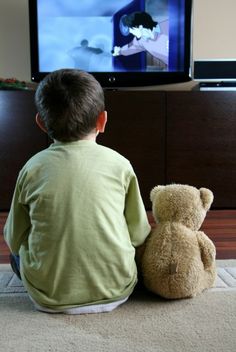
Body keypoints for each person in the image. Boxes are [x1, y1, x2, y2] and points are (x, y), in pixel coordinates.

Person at [4, 69, 151, 314]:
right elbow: (138, 234)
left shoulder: (32, 168)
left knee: (15, 259)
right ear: (102, 121)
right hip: (117, 289)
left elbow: (14, 239)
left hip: (48, 296)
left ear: (41, 123)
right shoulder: (120, 164)